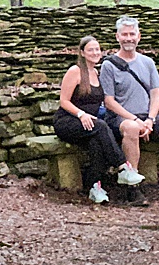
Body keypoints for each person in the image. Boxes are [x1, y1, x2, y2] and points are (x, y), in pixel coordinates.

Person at [100, 16, 159, 200]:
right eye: (124, 34)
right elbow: (109, 101)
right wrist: (135, 120)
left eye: (132, 34)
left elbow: (155, 94)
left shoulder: (148, 62)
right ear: (117, 37)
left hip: (147, 116)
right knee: (132, 128)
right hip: (121, 119)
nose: (128, 38)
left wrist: (149, 119)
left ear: (138, 36)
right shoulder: (109, 65)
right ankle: (132, 186)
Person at [53, 35, 146, 204]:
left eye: (97, 49)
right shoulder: (75, 71)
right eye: (91, 50)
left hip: (90, 124)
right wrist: (81, 114)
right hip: (68, 121)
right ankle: (123, 168)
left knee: (97, 141)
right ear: (82, 52)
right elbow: (64, 101)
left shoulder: (97, 72)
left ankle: (94, 187)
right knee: (101, 127)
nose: (95, 52)